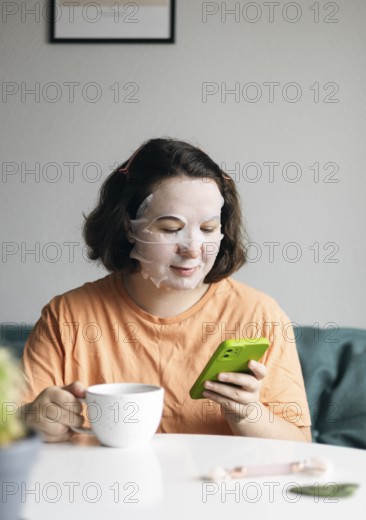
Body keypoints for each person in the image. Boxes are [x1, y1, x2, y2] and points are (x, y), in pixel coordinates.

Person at [20, 137, 312, 443]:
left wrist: (249, 414)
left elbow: (301, 448)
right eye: (171, 229)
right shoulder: (67, 316)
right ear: (127, 228)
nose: (193, 249)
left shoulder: (260, 316)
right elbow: (10, 431)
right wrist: (31, 420)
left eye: (209, 229)